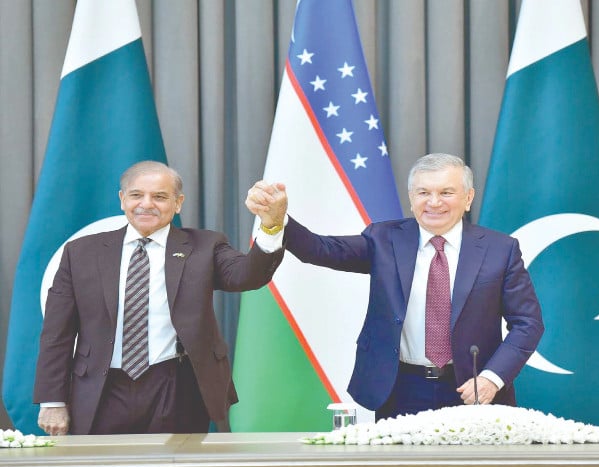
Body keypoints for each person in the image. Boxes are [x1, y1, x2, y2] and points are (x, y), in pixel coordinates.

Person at [247, 153, 544, 420]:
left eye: (446, 192)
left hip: (474, 390)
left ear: (468, 198)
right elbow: (322, 249)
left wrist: (492, 378)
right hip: (401, 388)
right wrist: (278, 220)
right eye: (423, 192)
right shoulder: (384, 239)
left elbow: (528, 323)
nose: (434, 202)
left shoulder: (500, 249)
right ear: (411, 198)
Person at [34, 160, 286, 435]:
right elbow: (57, 333)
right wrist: (52, 401)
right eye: (136, 195)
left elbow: (247, 276)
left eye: (160, 197)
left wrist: (271, 226)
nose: (146, 204)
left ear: (178, 203)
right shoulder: (80, 252)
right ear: (122, 199)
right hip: (100, 389)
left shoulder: (206, 246)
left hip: (176, 387)